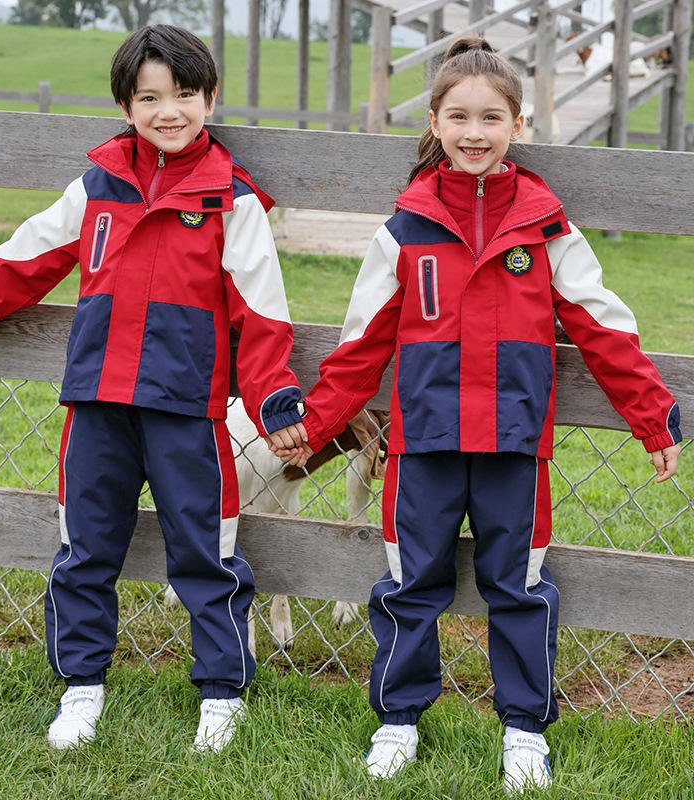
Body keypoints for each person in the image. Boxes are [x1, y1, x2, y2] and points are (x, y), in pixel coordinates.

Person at [274, 37, 681, 793]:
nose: (474, 132)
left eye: (491, 118)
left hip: (515, 448)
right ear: (434, 120)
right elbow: (362, 342)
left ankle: (525, 728)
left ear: (518, 126)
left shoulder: (547, 225)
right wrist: (318, 423)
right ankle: (398, 717)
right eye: (457, 116)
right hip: (422, 447)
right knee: (408, 582)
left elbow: (602, 327)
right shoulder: (405, 226)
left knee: (520, 586)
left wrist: (652, 416)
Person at [0, 24, 306, 753]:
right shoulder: (97, 186)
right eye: (150, 97)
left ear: (209, 99)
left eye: (185, 94)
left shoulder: (233, 201)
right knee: (85, 548)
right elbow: (28, 255)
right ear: (126, 107)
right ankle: (81, 684)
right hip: (97, 405)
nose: (169, 111)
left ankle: (222, 691)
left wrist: (276, 402)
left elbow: (263, 309)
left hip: (187, 412)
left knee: (205, 550)